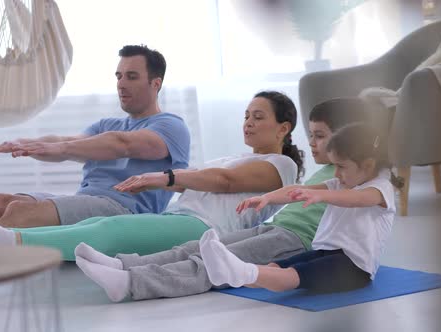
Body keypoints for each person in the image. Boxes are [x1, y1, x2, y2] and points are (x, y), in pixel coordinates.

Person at [0, 91, 303, 261]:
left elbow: (226, 184)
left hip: (205, 228)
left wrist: (165, 178)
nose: (248, 123)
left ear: (284, 128)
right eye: (246, 115)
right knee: (97, 223)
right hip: (176, 220)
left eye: (259, 117)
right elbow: (84, 140)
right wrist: (39, 144)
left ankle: (7, 242)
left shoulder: (284, 168)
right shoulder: (229, 154)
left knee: (106, 229)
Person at [66, 98, 372, 302]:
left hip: (297, 242)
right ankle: (125, 266)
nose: (313, 142)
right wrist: (267, 199)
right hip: (276, 229)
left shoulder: (355, 174)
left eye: (320, 136)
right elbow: (296, 194)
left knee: (210, 263)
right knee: (193, 249)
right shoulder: (330, 172)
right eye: (312, 135)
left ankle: (132, 284)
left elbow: (362, 196)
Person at [0, 44, 191, 228]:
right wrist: (26, 144)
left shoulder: (171, 126)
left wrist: (63, 148)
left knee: (20, 212)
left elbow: (122, 144)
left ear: (156, 84)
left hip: (122, 208)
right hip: (85, 200)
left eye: (131, 77)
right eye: (119, 76)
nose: (121, 84)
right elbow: (66, 142)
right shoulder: (107, 124)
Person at [199, 122, 402, 294]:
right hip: (326, 252)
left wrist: (321, 194)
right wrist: (267, 197)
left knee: (291, 276)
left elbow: (356, 199)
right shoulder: (342, 184)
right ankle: (228, 272)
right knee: (274, 267)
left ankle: (238, 271)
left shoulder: (381, 188)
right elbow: (297, 190)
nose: (336, 174)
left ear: (367, 165)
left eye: (341, 166)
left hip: (354, 268)